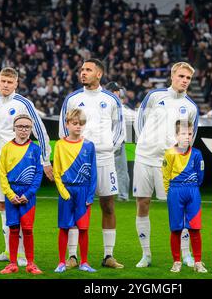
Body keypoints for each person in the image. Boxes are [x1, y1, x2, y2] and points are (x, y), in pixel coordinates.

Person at [59, 59, 124, 269]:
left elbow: (120, 129)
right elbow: (62, 130)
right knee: (75, 207)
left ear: (99, 74)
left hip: (105, 159)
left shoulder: (112, 100)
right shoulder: (72, 99)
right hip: (77, 160)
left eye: (88, 70)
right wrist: (75, 151)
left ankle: (108, 256)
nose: (83, 73)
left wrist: (106, 148)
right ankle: (72, 257)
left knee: (108, 205)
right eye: (82, 70)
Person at [133, 62, 199, 268]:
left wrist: (178, 155)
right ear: (172, 76)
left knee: (181, 209)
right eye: (181, 76)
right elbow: (139, 121)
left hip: (171, 163)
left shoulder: (191, 107)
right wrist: (145, 141)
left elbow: (191, 136)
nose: (184, 81)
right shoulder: (154, 96)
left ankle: (186, 254)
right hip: (145, 157)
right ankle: (146, 254)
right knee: (142, 203)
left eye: (188, 78)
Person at [0, 67, 53, 266]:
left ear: (16, 84)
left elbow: (40, 132)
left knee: (21, 205)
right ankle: (10, 251)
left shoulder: (24, 103)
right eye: (3, 81)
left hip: (20, 163)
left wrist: (45, 160)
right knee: (2, 204)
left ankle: (22, 255)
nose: (6, 85)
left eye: (10, 82)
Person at [0, 114, 43, 275]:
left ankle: (31, 263)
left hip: (28, 196)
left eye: (27, 127)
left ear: (31, 130)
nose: (23, 130)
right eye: (20, 126)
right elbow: (2, 173)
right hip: (12, 194)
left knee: (28, 229)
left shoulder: (35, 149)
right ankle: (12, 263)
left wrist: (29, 194)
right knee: (13, 228)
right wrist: (9, 194)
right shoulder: (7, 148)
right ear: (14, 128)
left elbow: (38, 174)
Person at [54, 109, 97, 273]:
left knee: (84, 228)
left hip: (83, 191)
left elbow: (93, 172)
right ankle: (61, 262)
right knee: (64, 227)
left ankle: (84, 262)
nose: (78, 127)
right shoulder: (60, 144)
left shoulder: (89, 145)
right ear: (67, 124)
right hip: (67, 190)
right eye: (75, 123)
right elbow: (56, 172)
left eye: (81, 124)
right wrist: (62, 191)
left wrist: (91, 194)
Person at [163, 120, 207, 273]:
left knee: (195, 229)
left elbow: (200, 175)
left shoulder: (197, 153)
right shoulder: (169, 153)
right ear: (176, 135)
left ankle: (198, 262)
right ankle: (176, 262)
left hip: (192, 192)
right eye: (183, 134)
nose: (187, 137)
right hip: (175, 192)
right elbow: (166, 175)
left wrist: (192, 187)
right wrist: (170, 193)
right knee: (176, 229)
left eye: (189, 134)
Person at [106, 81, 131, 201]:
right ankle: (122, 196)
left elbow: (132, 115)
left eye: (117, 90)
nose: (117, 92)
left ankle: (122, 195)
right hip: (108, 143)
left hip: (114, 143)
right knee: (120, 171)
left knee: (120, 171)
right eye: (115, 90)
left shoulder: (118, 105)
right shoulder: (114, 104)